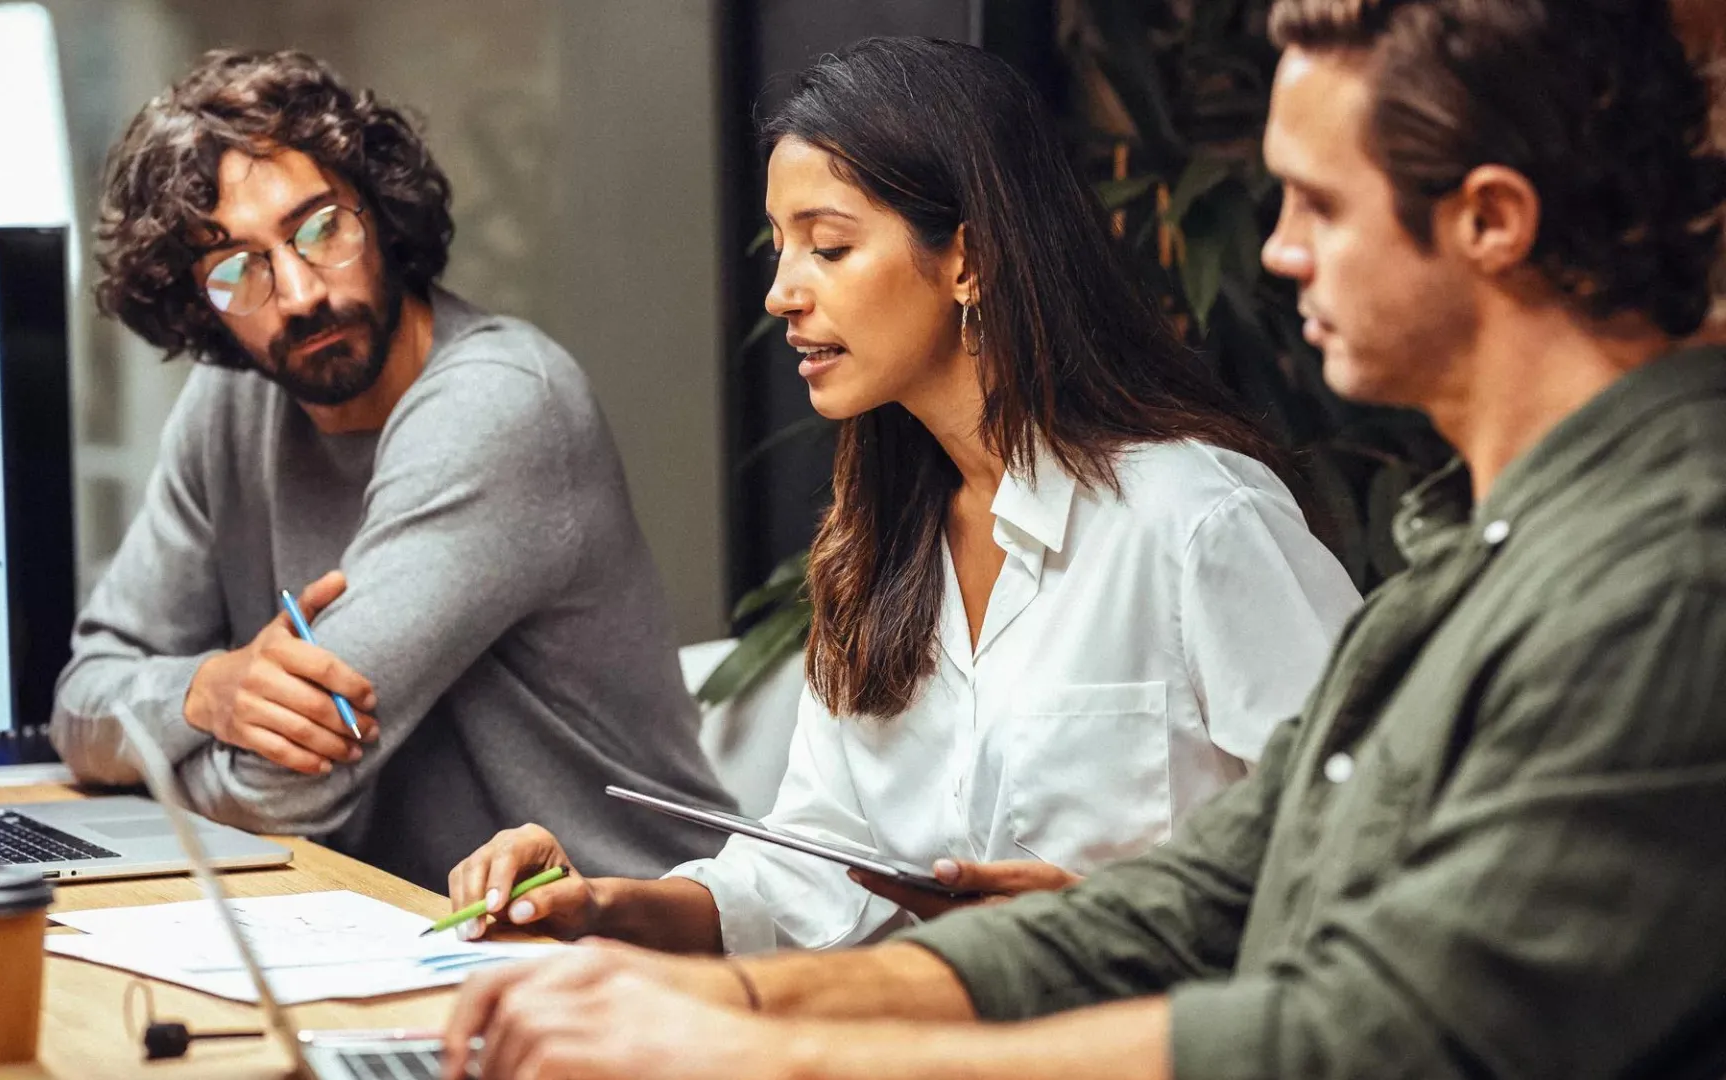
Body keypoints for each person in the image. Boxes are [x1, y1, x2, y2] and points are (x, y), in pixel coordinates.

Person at [437, 2, 1726, 1077]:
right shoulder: (1471, 558)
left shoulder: (1665, 577)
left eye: (1319, 206)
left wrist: (780, 1049)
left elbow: (1382, 1027)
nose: (1274, 251)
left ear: (1492, 220)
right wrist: (716, 995)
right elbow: (1190, 902)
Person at [444, 36, 1359, 955]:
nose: (780, 294)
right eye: (782, 248)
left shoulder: (1198, 521)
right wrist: (597, 908)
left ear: (968, 257)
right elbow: (803, 875)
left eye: (830, 247)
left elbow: (1372, 866)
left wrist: (1103, 923)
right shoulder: (878, 546)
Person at [49, 50, 735, 894]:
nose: (299, 293)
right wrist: (204, 692)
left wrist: (144, 765)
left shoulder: (500, 405)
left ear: (379, 211)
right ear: (197, 303)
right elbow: (79, 703)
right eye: (236, 269)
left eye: (320, 228)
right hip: (377, 928)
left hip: (606, 944)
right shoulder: (226, 406)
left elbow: (279, 797)